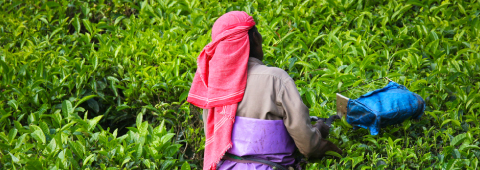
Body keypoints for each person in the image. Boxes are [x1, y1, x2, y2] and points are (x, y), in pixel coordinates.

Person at [187, 11, 342, 170]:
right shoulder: (276, 79)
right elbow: (308, 146)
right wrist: (320, 133)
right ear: (255, 39)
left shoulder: (211, 88)